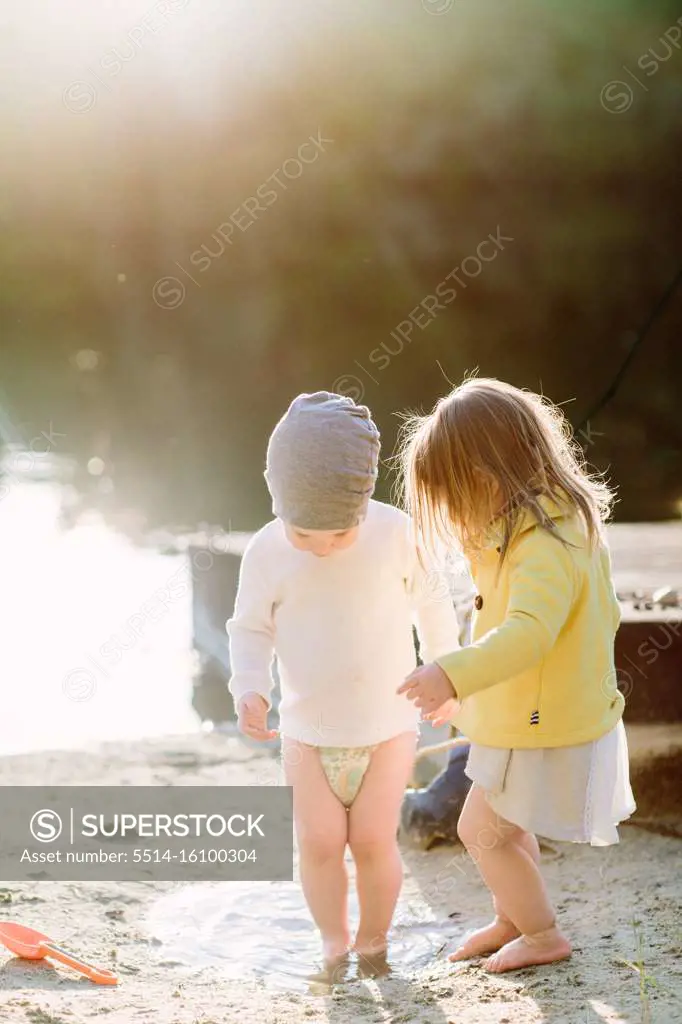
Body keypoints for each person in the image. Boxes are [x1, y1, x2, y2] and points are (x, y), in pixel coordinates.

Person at [397, 377, 635, 974]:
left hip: (548, 720)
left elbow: (528, 635)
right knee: (501, 824)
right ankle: (514, 917)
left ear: (483, 476)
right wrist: (465, 692)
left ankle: (542, 933)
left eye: (452, 496)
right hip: (526, 713)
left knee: (481, 829)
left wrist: (451, 673)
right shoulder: (528, 529)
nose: (452, 515)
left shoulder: (545, 544)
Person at [226, 391, 460, 974]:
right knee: (322, 843)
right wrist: (250, 687)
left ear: (363, 500)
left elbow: (433, 606)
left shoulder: (396, 534)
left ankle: (373, 939)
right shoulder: (266, 550)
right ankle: (333, 938)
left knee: (375, 841)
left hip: (386, 727)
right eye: (305, 534)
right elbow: (249, 628)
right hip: (305, 732)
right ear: (278, 502)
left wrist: (445, 670)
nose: (323, 548)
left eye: (337, 533)